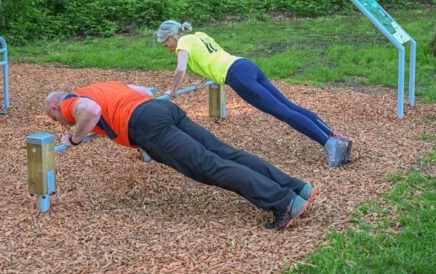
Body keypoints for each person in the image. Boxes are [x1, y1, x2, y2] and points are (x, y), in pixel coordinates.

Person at [45, 80, 318, 230]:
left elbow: (90, 112)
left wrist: (74, 138)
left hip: (147, 125)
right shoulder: (97, 86)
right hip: (162, 110)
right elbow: (144, 90)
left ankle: (283, 202)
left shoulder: (69, 104)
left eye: (55, 118)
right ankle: (297, 188)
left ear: (56, 107)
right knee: (226, 154)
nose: (60, 122)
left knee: (210, 166)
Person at [155, 20, 354, 167]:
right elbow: (213, 58)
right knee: (289, 106)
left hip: (237, 76)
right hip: (245, 65)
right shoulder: (199, 35)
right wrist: (206, 78)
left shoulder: (183, 43)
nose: (168, 49)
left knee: (282, 112)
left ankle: (329, 143)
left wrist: (172, 91)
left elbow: (180, 69)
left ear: (172, 37)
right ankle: (336, 137)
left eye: (166, 45)